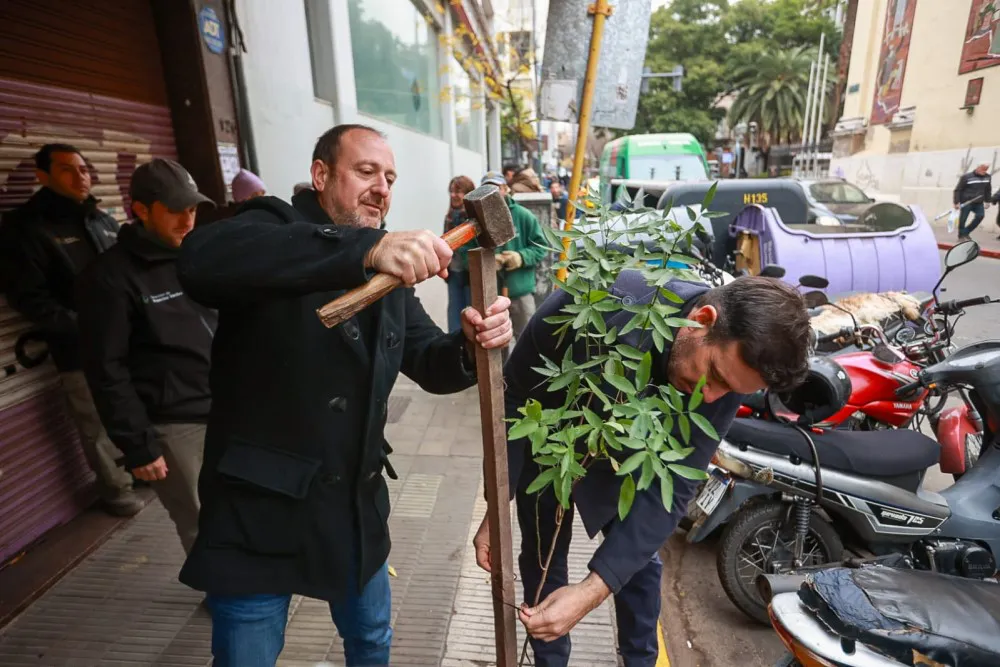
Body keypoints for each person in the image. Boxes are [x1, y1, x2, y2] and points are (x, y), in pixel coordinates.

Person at [176, 124, 513, 667]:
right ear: (320, 175)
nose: (382, 188)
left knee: (372, 643)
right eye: (365, 172)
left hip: (353, 510)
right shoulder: (271, 228)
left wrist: (471, 346)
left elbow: (428, 360)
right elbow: (201, 259)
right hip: (258, 515)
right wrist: (367, 248)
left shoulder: (387, 270)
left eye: (390, 178)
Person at [473, 275, 810, 667]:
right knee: (542, 557)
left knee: (635, 564)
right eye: (714, 376)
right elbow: (515, 395)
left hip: (630, 462)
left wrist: (592, 590)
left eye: (730, 391)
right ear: (700, 319)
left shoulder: (724, 379)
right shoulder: (592, 302)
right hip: (549, 444)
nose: (710, 397)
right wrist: (496, 504)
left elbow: (679, 481)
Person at [75, 159, 216, 554]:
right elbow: (106, 369)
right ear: (141, 210)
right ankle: (228, 605)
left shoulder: (195, 255)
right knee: (202, 521)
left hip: (227, 407)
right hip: (174, 424)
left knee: (246, 507)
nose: (188, 220)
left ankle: (253, 597)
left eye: (193, 209)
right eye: (175, 211)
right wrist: (138, 444)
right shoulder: (109, 278)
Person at [0, 144, 143, 516]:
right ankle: (117, 490)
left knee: (132, 409)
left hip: (127, 342)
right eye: (67, 170)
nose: (80, 177)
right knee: (95, 423)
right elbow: (30, 299)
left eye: (83, 169)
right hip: (79, 348)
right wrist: (88, 328)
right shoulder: (26, 229)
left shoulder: (101, 220)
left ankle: (143, 468)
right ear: (42, 176)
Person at [481, 171, 546, 339]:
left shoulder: (523, 216)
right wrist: (486, 262)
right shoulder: (479, 219)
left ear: (505, 189)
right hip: (491, 295)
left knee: (527, 340)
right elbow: (467, 255)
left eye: (496, 189)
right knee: (496, 344)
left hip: (520, 292)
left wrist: (521, 257)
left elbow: (541, 247)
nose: (491, 194)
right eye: (486, 190)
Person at [443, 175, 477, 333]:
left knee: (472, 315)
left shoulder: (475, 217)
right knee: (454, 314)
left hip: (472, 274)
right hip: (454, 273)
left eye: (458, 191)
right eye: (451, 191)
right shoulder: (449, 216)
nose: (453, 195)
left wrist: (459, 249)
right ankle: (455, 351)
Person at [953, 163, 992, 241]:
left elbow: (988, 190)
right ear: (977, 168)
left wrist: (987, 201)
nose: (984, 171)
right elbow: (958, 190)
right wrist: (956, 202)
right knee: (963, 219)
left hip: (979, 201)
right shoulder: (966, 177)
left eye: (986, 169)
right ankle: (961, 236)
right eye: (983, 169)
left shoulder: (988, 177)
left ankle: (965, 232)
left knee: (980, 216)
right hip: (966, 201)